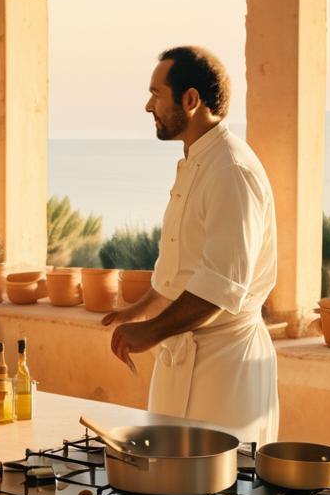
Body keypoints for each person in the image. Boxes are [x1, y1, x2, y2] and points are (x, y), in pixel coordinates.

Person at [104, 46, 279, 445]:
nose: (149, 106)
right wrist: (143, 307)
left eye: (156, 94)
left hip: (224, 371)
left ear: (191, 100)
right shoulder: (199, 160)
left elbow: (219, 289)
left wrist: (150, 332)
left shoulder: (230, 170)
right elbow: (185, 264)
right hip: (182, 360)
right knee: (168, 483)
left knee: (223, 493)